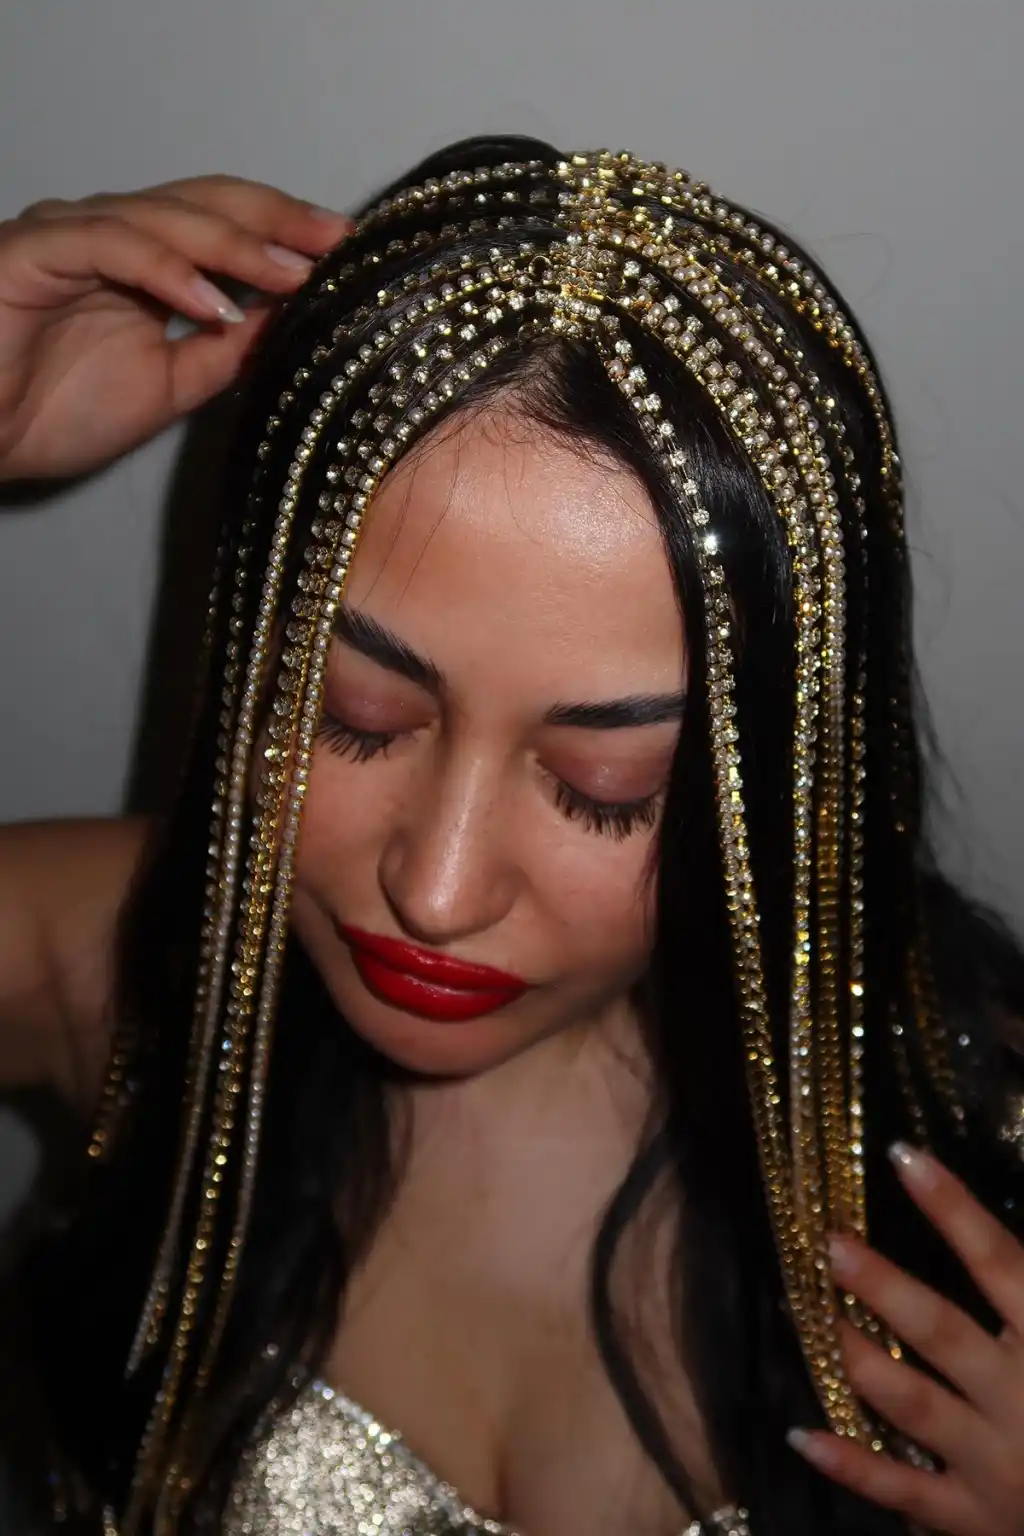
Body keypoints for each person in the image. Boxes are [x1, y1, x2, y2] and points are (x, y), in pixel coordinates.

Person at [1, 134, 1023, 1536]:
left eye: (606, 787)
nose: (435, 890)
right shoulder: (132, 956)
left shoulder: (980, 1134)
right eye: (353, 715)